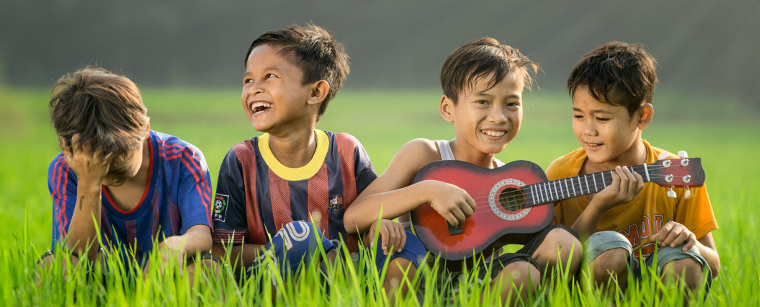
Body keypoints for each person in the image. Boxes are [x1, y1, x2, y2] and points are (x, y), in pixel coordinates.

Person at [343, 38, 582, 304]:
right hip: (421, 282)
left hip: (479, 288)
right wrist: (427, 190)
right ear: (448, 108)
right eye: (483, 102)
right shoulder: (426, 154)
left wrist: (604, 200)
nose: (499, 117)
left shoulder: (509, 180)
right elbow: (354, 216)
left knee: (555, 248)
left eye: (512, 104)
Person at [210, 24, 425, 295]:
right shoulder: (241, 160)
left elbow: (371, 215)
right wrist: (302, 249)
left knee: (408, 245)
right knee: (302, 237)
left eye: (270, 76)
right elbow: (223, 251)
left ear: (315, 92)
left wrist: (380, 226)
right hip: (271, 284)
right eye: (248, 80)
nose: (254, 89)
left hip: (347, 280)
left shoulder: (347, 151)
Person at [545, 41, 720, 293]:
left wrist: (692, 243)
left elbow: (712, 265)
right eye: (578, 115)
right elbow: (552, 267)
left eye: (602, 118)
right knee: (609, 255)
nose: (587, 130)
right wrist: (598, 206)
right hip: (589, 287)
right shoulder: (560, 173)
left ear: (643, 116)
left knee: (686, 265)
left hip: (655, 285)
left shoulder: (675, 173)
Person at [43, 67, 213, 274]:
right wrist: (89, 182)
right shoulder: (65, 168)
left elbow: (202, 234)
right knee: (53, 267)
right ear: (68, 147)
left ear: (145, 129)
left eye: (113, 157)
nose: (102, 167)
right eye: (92, 158)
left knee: (206, 269)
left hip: (166, 278)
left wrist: (176, 245)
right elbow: (77, 257)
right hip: (99, 283)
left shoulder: (183, 159)